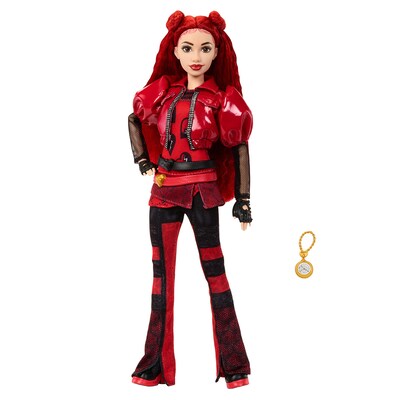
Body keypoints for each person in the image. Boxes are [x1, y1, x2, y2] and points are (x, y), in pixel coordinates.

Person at [128, 10, 253, 389]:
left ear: (217, 52)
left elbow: (239, 145)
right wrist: (142, 159)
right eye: (187, 48)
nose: (196, 56)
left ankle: (234, 364)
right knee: (161, 278)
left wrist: (243, 199)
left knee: (216, 275)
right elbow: (134, 118)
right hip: (164, 190)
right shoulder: (163, 91)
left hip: (203, 192)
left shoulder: (223, 99)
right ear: (175, 52)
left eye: (205, 48)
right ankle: (153, 365)